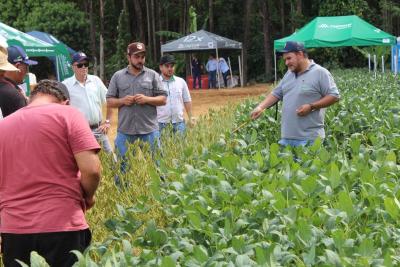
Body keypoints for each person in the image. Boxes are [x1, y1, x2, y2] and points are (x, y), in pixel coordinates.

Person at [0, 80, 101, 266]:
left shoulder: (3, 125)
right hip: (62, 224)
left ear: (31, 99)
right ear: (66, 102)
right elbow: (92, 169)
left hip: (14, 230)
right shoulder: (69, 114)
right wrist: (89, 196)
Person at [250, 41, 340, 147]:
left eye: (289, 58)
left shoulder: (320, 73)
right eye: (285, 60)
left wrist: (311, 106)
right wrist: (260, 107)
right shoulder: (288, 74)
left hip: (309, 140)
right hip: (286, 139)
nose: (286, 63)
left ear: (300, 54)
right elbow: (276, 93)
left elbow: (334, 96)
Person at [106, 42, 167, 173]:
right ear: (128, 57)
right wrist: (122, 101)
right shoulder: (118, 76)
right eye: (137, 57)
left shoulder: (153, 75)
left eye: (142, 57)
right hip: (125, 131)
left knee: (158, 167)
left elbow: (163, 99)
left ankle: (161, 192)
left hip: (149, 131)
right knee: (123, 169)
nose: (140, 60)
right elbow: (109, 101)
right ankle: (122, 192)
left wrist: (147, 99)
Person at [63, 51, 114, 155]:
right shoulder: (66, 85)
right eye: (80, 65)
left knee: (113, 163)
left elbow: (110, 101)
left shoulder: (96, 81)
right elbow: (61, 110)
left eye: (86, 64)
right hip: (79, 132)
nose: (84, 67)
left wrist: (107, 122)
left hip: (99, 130)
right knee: (84, 165)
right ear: (73, 67)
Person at [157, 54, 193, 134]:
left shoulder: (181, 82)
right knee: (163, 146)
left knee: (181, 146)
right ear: (161, 67)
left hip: (179, 123)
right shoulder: (155, 82)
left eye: (172, 66)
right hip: (161, 124)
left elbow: (187, 100)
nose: (170, 69)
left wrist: (190, 117)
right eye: (167, 66)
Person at [0, 45, 37, 118]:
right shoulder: (13, 94)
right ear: (17, 67)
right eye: (26, 67)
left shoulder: (13, 91)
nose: (27, 73)